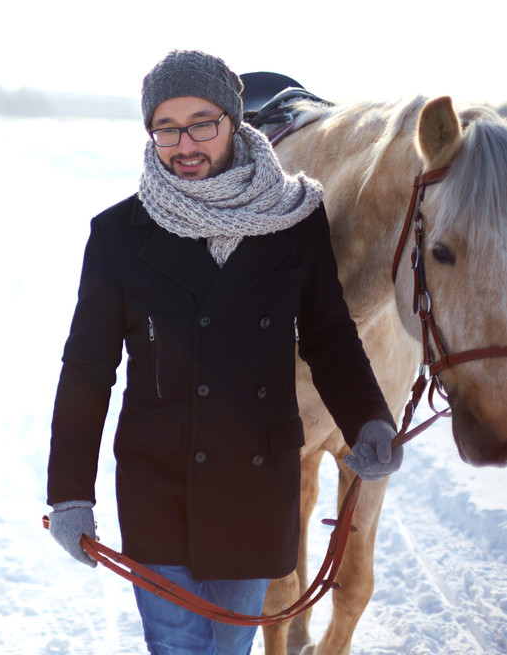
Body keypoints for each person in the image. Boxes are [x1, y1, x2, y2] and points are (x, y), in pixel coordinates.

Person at [45, 49, 402, 654]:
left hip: (255, 488)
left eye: (201, 123)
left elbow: (329, 337)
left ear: (234, 122)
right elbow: (87, 370)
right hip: (160, 486)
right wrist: (70, 493)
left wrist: (367, 418)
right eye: (166, 128)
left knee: (231, 647)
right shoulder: (118, 234)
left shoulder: (296, 219)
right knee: (178, 646)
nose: (184, 144)